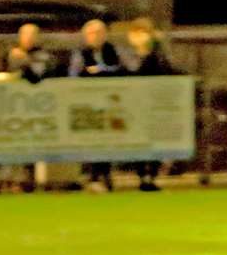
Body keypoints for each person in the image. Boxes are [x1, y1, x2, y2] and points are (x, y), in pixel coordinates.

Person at [70, 19, 124, 191]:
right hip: (87, 104)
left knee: (108, 140)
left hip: (110, 104)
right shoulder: (80, 53)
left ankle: (106, 174)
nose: (96, 37)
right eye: (92, 33)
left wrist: (103, 70)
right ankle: (91, 175)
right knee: (90, 140)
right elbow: (73, 75)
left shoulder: (113, 50)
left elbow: (122, 69)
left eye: (100, 33)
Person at [125, 23, 175, 192]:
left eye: (145, 33)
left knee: (156, 139)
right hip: (135, 105)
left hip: (155, 105)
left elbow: (167, 71)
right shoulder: (127, 54)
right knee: (138, 140)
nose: (141, 37)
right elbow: (130, 72)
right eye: (137, 33)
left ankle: (152, 175)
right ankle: (141, 174)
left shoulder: (157, 55)